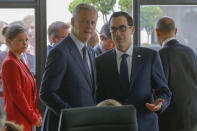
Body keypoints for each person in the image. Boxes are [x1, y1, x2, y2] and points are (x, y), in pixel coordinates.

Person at [96, 11, 172, 131]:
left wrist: (160, 103)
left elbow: (164, 91)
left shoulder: (150, 56)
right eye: (113, 29)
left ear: (132, 30)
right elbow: (99, 97)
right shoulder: (101, 61)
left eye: (122, 28)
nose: (117, 33)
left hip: (145, 125)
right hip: (114, 126)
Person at [39, 3, 98, 131]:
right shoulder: (60, 51)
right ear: (73, 22)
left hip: (86, 124)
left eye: (93, 22)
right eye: (85, 21)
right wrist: (71, 115)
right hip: (62, 125)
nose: (89, 26)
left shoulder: (91, 51)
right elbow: (46, 93)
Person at [156, 16, 197, 131]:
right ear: (176, 31)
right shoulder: (190, 52)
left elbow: (161, 89)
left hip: (172, 119)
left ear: (157, 32)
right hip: (193, 116)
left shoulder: (160, 55)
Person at [1, 25, 42, 131]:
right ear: (9, 42)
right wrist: (33, 117)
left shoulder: (20, 61)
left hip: (25, 117)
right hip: (17, 121)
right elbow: (18, 96)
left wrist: (36, 113)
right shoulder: (10, 63)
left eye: (26, 40)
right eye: (20, 40)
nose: (25, 43)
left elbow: (30, 94)